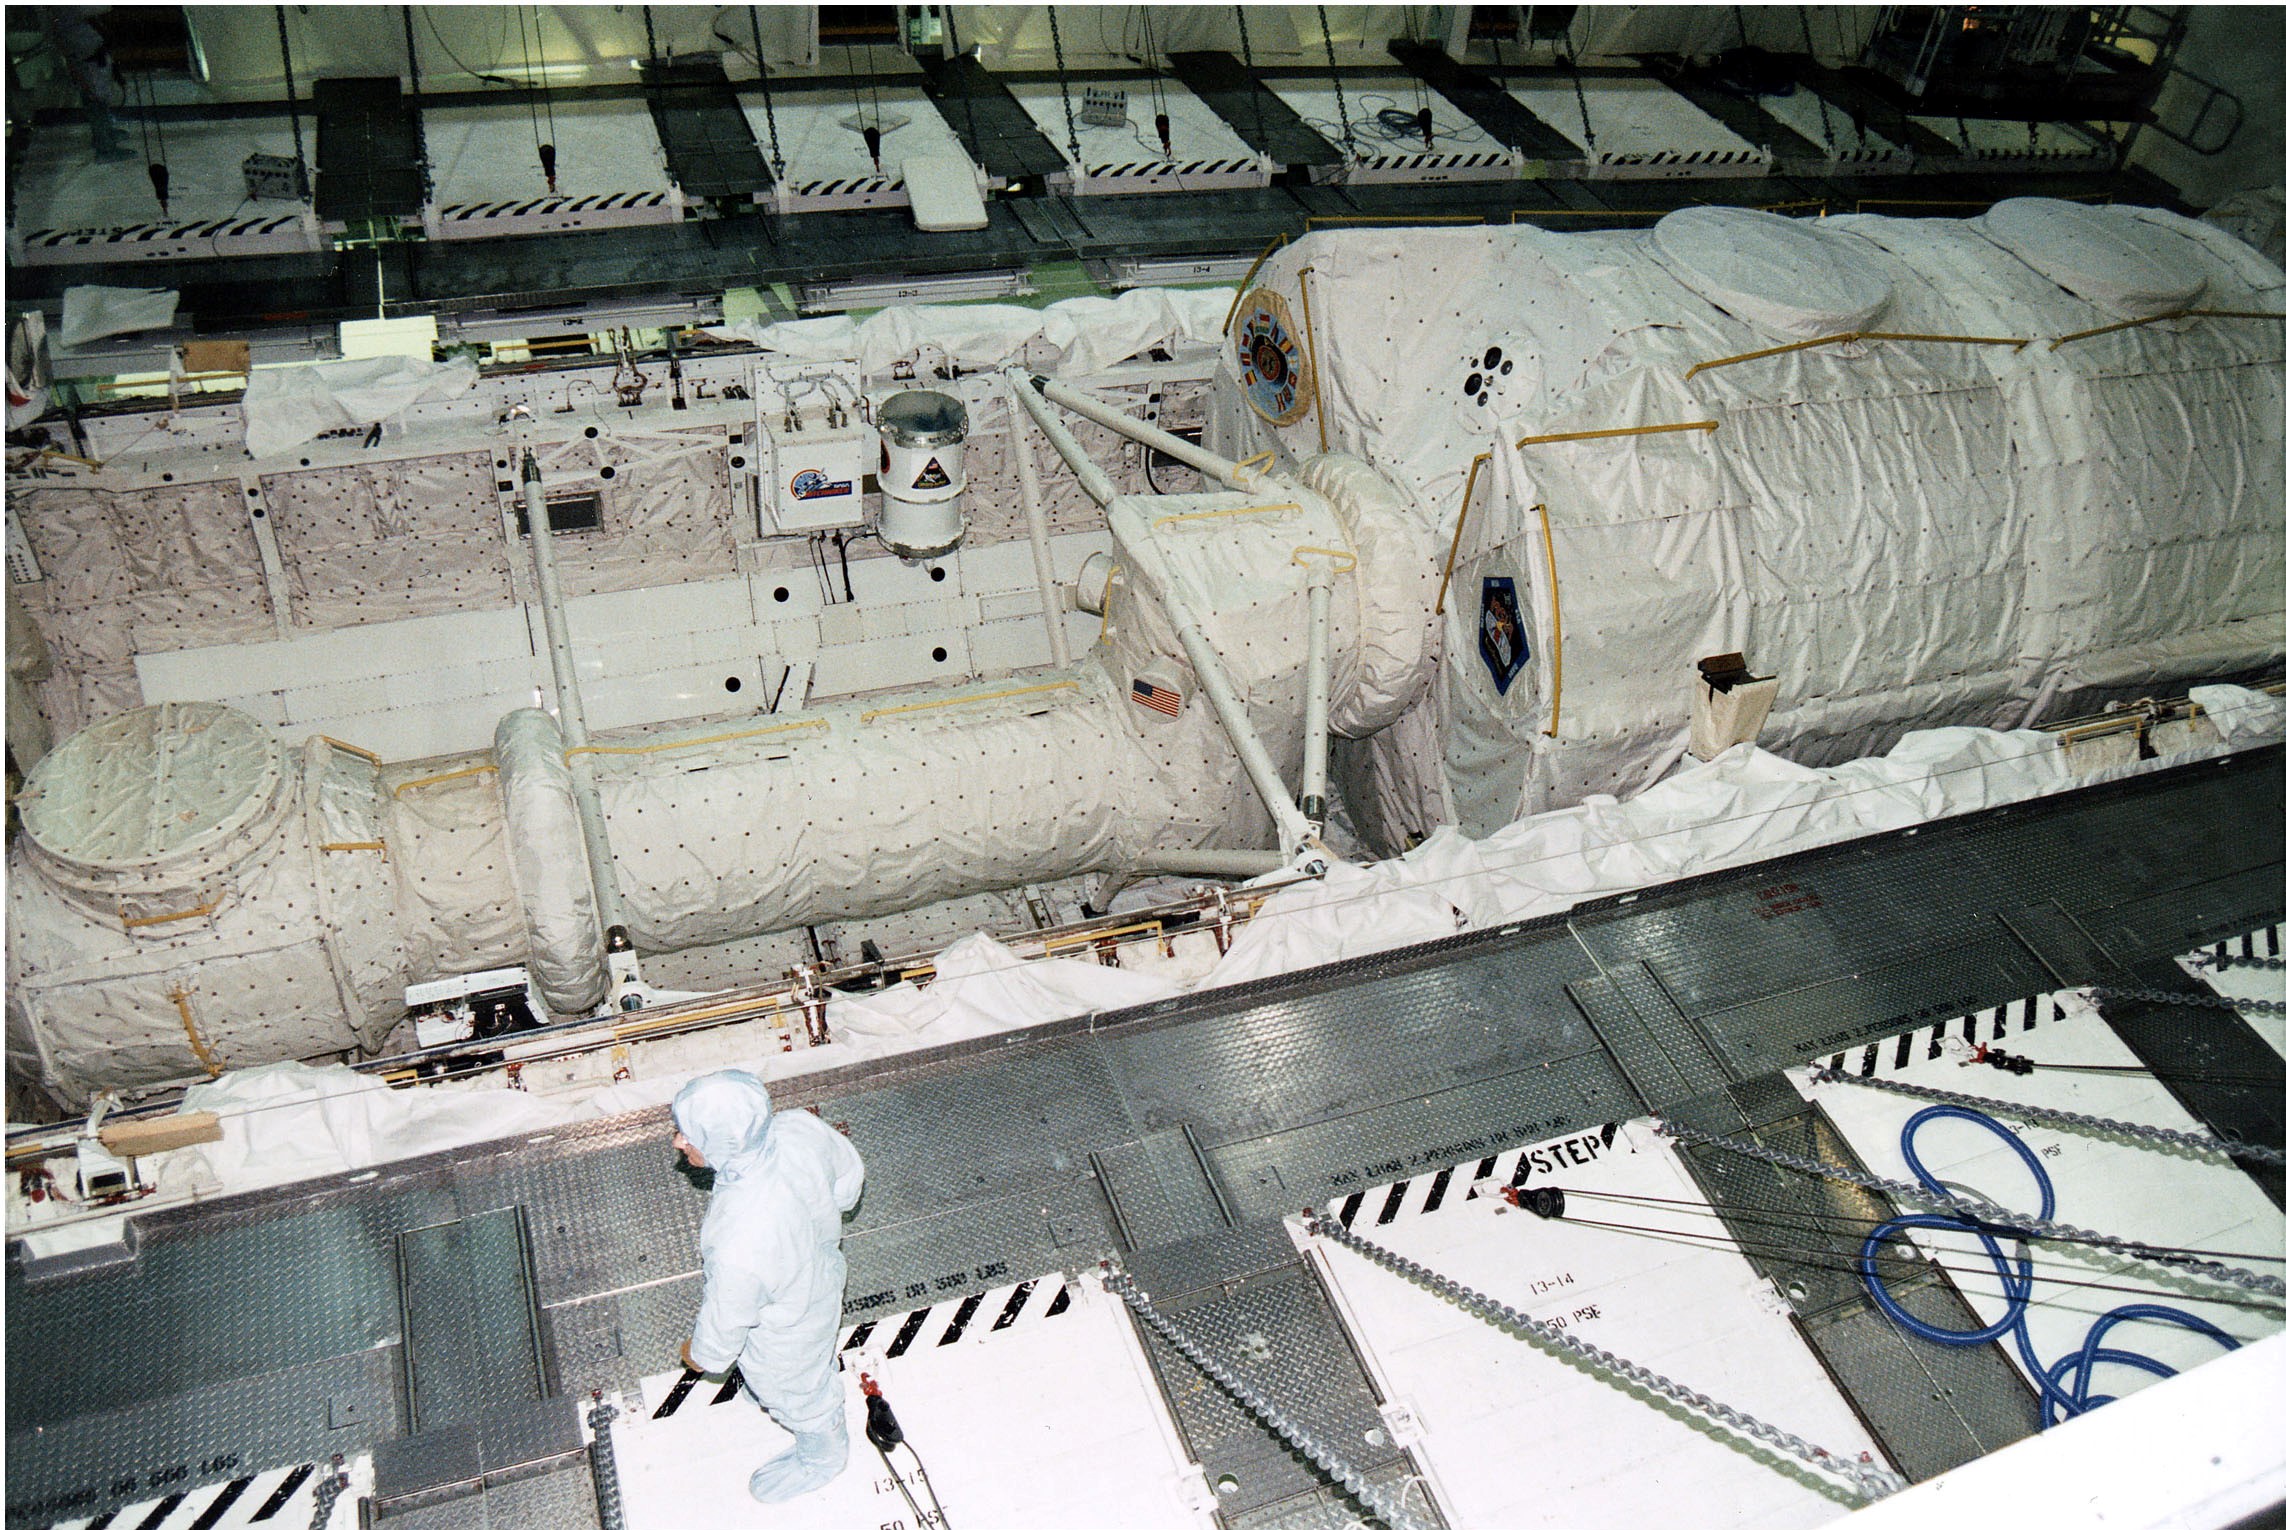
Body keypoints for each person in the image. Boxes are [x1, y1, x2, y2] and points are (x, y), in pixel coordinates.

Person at [671, 1069, 866, 1504]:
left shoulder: (739, 1236)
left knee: (795, 1390)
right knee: (791, 1364)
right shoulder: (796, 1126)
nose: (679, 1143)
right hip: (823, 1273)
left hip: (787, 1323)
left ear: (722, 1142)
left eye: (687, 1135)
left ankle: (824, 1455)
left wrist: (702, 1356)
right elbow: (849, 1180)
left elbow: (729, 1315)